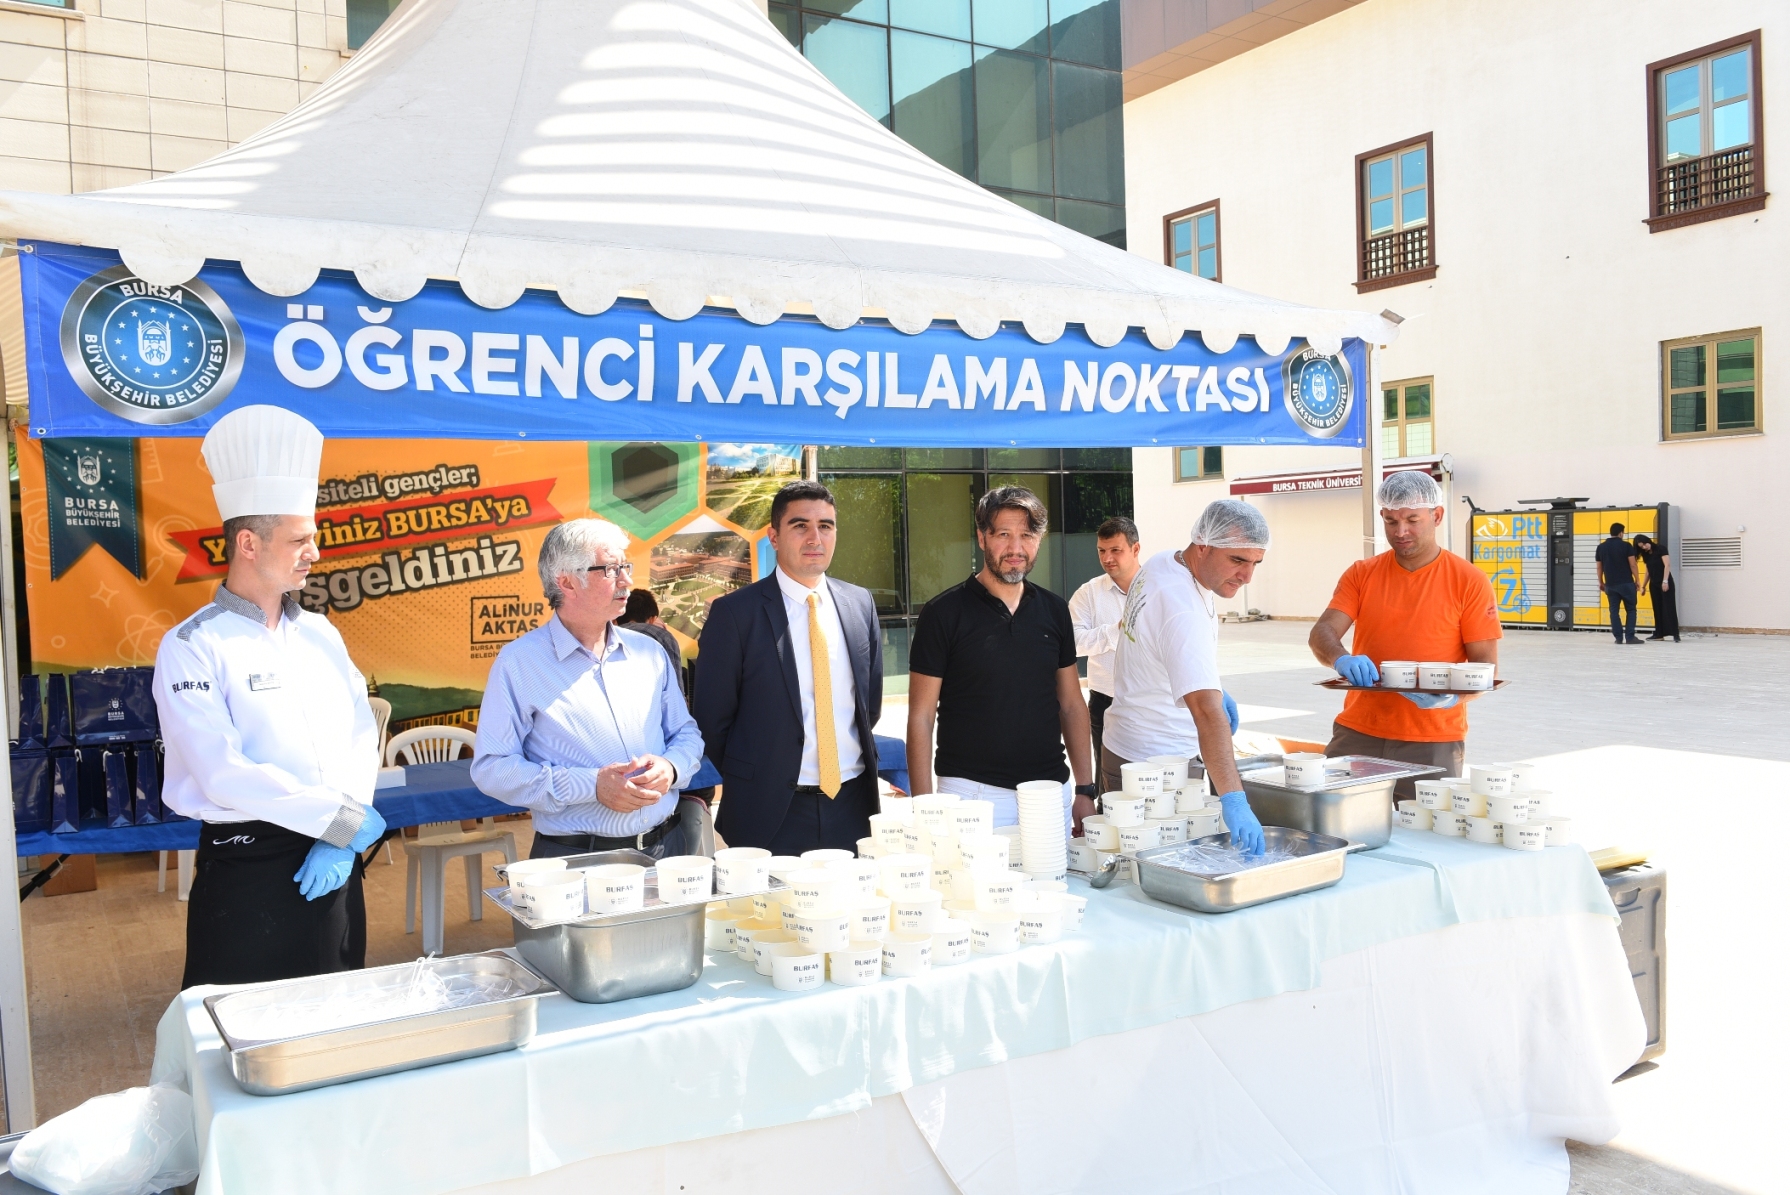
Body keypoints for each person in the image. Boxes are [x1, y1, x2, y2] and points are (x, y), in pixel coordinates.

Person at [154, 405, 386, 987]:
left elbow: (359, 734)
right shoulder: (192, 645)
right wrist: (338, 818)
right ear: (249, 543)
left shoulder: (321, 632)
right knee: (240, 1023)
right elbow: (221, 772)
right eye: (300, 540)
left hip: (334, 852)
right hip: (247, 863)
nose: (315, 552)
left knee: (337, 1011)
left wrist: (341, 831)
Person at [473, 519, 705, 860]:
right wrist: (591, 785)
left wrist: (670, 768)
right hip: (577, 861)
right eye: (611, 569)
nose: (627, 580)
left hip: (666, 849)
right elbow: (493, 770)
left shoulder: (648, 652)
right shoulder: (519, 663)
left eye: (625, 566)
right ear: (566, 581)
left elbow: (685, 734)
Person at [694, 481, 883, 854]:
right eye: (800, 526)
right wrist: (755, 777)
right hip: (768, 813)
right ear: (774, 537)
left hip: (852, 807)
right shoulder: (735, 614)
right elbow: (712, 720)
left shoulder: (859, 603)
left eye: (825, 526)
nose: (815, 538)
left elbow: (869, 705)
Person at [906, 486, 1095, 834]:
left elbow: (1071, 704)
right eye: (1004, 535)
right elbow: (921, 716)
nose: (1016, 549)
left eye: (1027, 535)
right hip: (971, 796)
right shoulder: (943, 614)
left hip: (1049, 794)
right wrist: (923, 810)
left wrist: (1085, 789)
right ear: (982, 538)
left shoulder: (1055, 610)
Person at [1308, 471, 1502, 794]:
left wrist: (1451, 697)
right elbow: (1322, 632)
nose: (1400, 532)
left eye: (1412, 520)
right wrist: (1341, 658)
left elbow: (1487, 669)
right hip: (1358, 731)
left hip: (1433, 739)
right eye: (1390, 521)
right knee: (1334, 815)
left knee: (1425, 823)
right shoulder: (1362, 574)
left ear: (1436, 516)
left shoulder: (1469, 581)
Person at [1101, 501, 1262, 853]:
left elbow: (1162, 646)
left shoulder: (1166, 562)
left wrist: (1213, 685)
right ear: (1203, 545)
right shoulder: (1182, 608)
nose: (1247, 576)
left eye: (1255, 563)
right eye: (1237, 560)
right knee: (1150, 867)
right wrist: (1234, 799)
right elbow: (1205, 712)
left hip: (1128, 746)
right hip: (1154, 768)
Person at [1069, 516, 1142, 770]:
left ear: (1135, 549)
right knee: (1108, 777)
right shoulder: (1088, 593)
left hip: (1155, 700)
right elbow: (1072, 642)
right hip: (1106, 701)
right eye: (1102, 551)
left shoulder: (1158, 588)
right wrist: (1116, 631)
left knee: (1157, 775)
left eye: (1115, 550)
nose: (1107, 558)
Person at [616, 587, 685, 692]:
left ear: (617, 618)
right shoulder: (663, 637)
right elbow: (675, 690)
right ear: (653, 619)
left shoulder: (606, 637)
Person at [1596, 523, 1642, 645]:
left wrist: (1601, 582)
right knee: (1631, 610)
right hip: (1627, 584)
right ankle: (1630, 637)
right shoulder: (1626, 546)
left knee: (1614, 611)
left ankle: (1618, 638)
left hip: (1610, 585)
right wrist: (1637, 580)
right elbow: (1633, 564)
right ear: (1621, 533)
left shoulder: (1601, 547)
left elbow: (1599, 567)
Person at [1634, 534, 1680, 642]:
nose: (1644, 547)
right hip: (1654, 584)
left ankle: (1675, 633)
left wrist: (1665, 581)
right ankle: (1659, 634)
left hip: (1665, 582)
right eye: (1641, 547)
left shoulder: (1660, 549)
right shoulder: (1646, 555)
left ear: (1648, 541)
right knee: (1657, 608)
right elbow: (1648, 571)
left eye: (1644, 544)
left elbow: (1667, 565)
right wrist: (1643, 586)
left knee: (1669, 607)